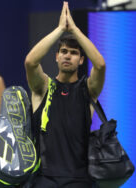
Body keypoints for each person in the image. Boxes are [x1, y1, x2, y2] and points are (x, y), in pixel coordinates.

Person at [23, 2, 105, 187]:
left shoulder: (88, 89)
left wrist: (74, 29)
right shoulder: (43, 86)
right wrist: (60, 29)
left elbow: (100, 65)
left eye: (74, 53)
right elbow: (30, 62)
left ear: (81, 59)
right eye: (64, 52)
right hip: (44, 178)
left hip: (80, 179)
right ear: (56, 56)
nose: (68, 56)